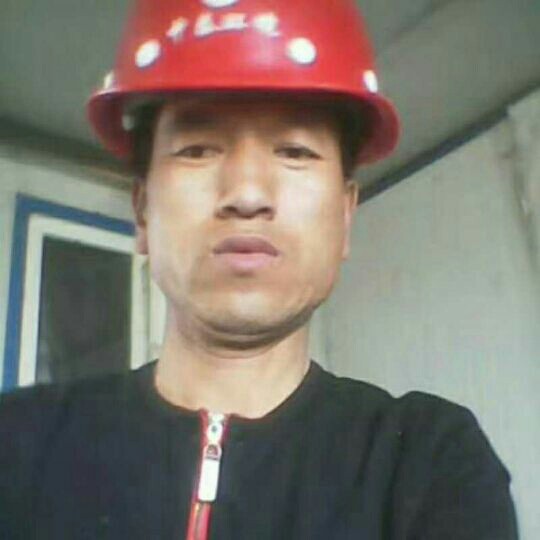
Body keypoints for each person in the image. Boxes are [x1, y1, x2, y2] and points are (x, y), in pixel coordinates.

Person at [0, 0, 518, 538]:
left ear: (345, 215)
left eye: (295, 151)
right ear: (142, 211)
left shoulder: (427, 462)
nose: (247, 194)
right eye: (197, 149)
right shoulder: (16, 443)